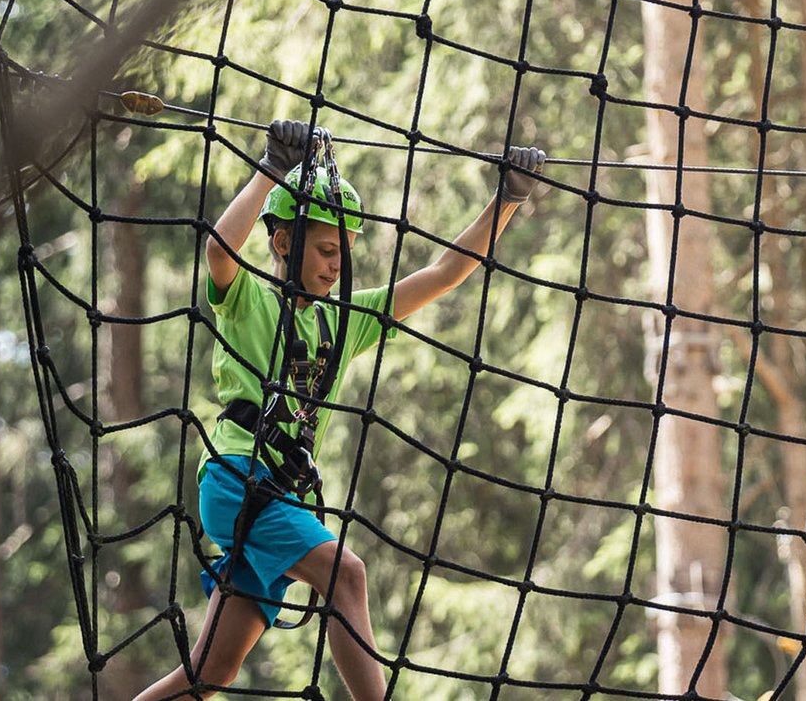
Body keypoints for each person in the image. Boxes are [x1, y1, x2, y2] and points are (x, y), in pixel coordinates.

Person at [133, 120, 548, 701]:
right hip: (237, 478)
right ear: (283, 243)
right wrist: (271, 168)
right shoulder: (248, 299)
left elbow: (443, 274)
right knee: (346, 573)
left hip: (282, 493)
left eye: (344, 255)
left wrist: (507, 199)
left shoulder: (344, 321)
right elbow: (218, 249)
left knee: (209, 675)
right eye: (326, 250)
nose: (335, 266)